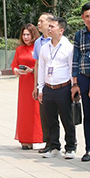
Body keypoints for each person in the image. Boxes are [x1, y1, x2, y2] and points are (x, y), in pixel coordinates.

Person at [36, 17, 76, 159]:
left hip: (63, 87)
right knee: (50, 119)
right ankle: (54, 146)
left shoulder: (68, 47)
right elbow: (41, 69)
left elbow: (72, 69)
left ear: (61, 30)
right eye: (49, 26)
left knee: (67, 118)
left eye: (52, 26)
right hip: (48, 87)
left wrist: (73, 87)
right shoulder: (44, 47)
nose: (49, 28)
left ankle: (70, 146)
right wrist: (40, 88)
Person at [71, 3, 90, 162]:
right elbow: (75, 58)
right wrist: (75, 83)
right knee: (88, 115)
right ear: (83, 18)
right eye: (87, 16)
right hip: (84, 77)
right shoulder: (79, 35)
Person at [11, 24, 43, 149]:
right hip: (23, 84)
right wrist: (16, 71)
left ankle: (37, 137)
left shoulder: (38, 47)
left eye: (28, 34)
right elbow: (14, 64)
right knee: (24, 111)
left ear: (33, 34)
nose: (25, 37)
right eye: (24, 34)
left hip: (34, 82)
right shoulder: (19, 49)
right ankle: (25, 139)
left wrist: (32, 70)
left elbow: (40, 65)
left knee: (36, 111)